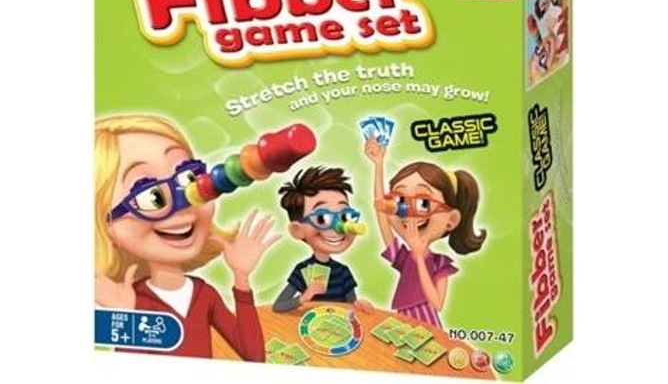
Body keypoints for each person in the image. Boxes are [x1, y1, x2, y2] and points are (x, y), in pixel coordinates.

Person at [95, 114, 279, 359]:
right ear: (106, 226)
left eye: (189, 179)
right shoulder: (129, 302)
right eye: (151, 196)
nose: (184, 204)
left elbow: (254, 356)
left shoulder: (204, 293)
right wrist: (126, 317)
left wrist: (241, 278)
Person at [364, 138, 486, 328]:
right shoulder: (404, 258)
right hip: (403, 322)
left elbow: (437, 304)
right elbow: (381, 210)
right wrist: (378, 164)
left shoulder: (440, 264)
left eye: (423, 203)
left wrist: (420, 257)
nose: (408, 211)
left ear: (451, 220)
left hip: (428, 325)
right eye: (400, 200)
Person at [272, 167, 373, 313]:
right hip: (309, 323)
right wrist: (304, 297)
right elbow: (278, 306)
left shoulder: (342, 272)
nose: (338, 227)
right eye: (322, 218)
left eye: (345, 216)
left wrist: (359, 304)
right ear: (297, 230)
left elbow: (351, 305)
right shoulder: (302, 270)